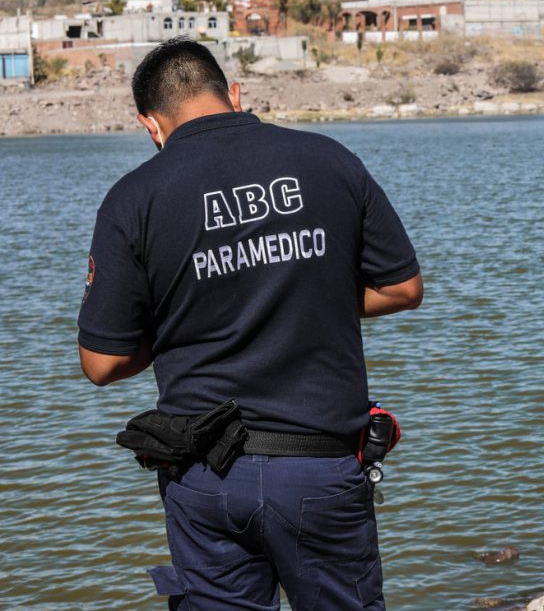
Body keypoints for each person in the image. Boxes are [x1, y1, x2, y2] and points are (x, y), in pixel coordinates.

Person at [77, 37, 422, 609]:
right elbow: (402, 288)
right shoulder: (329, 159)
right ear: (235, 94)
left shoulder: (132, 199)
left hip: (206, 480)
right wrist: (311, 289)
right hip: (321, 467)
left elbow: (102, 362)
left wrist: (187, 314)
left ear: (150, 125)